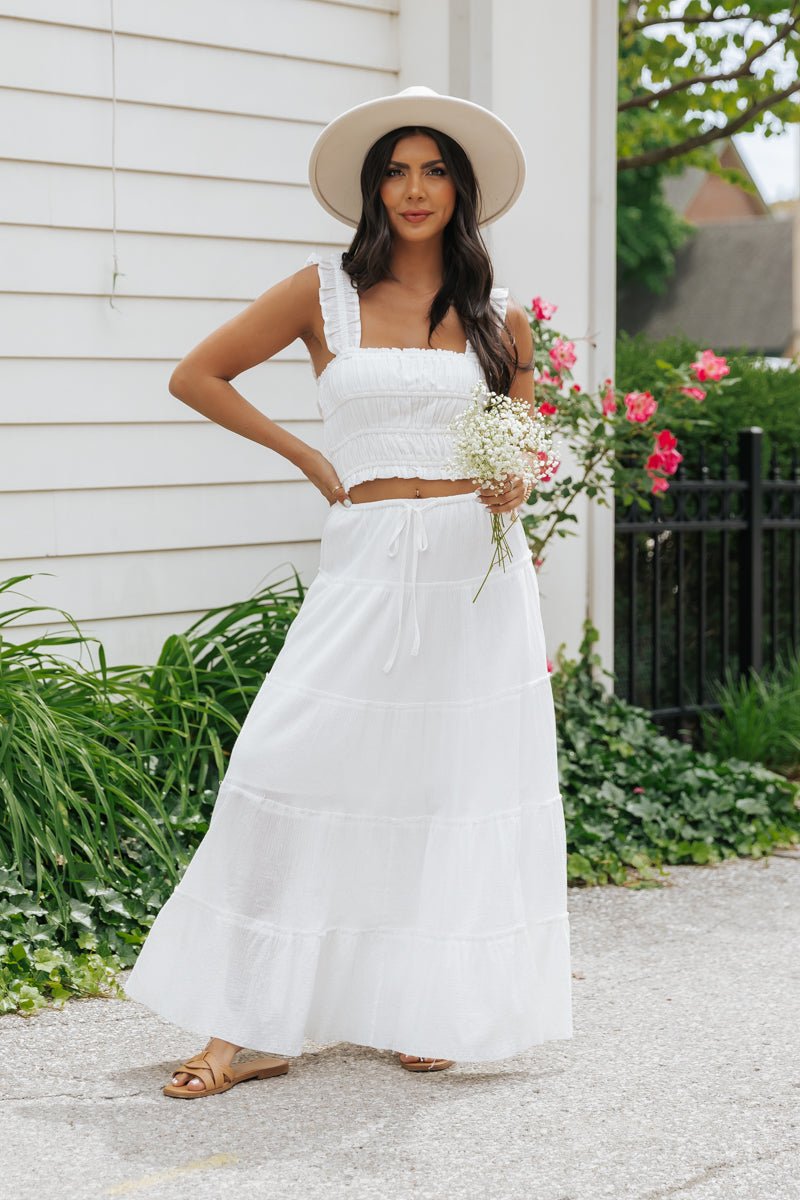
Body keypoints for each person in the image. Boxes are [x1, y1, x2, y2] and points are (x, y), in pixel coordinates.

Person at [123, 85, 573, 1099]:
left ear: (461, 190)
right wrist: (307, 459)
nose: (413, 189)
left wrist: (512, 480)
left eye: (434, 169)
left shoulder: (497, 320)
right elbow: (198, 375)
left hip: (472, 569)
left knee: (449, 784)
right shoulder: (319, 292)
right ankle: (248, 1023)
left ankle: (430, 1005)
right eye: (394, 171)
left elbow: (518, 452)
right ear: (372, 190)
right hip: (367, 554)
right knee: (288, 763)